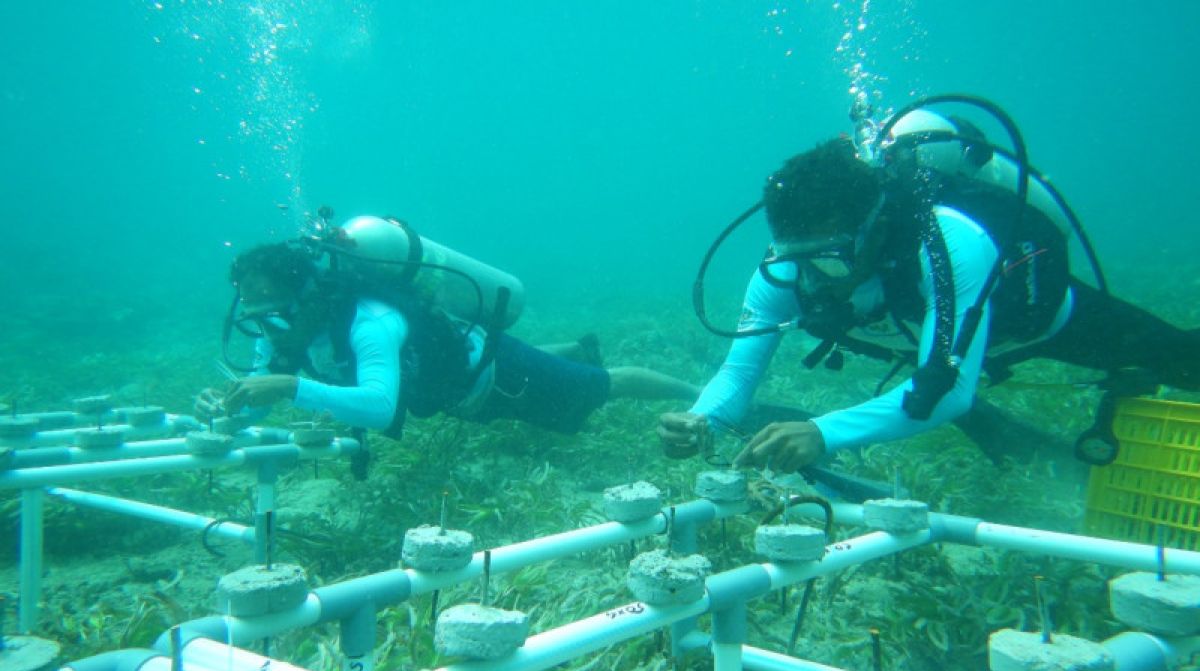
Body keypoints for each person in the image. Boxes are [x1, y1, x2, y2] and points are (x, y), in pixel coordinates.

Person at [659, 110, 1200, 474]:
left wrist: (821, 433)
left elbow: (947, 390)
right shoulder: (786, 270)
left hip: (1037, 325)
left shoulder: (949, 243)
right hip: (924, 341)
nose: (814, 275)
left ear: (875, 225)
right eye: (796, 254)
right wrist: (705, 417)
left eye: (829, 254)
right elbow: (738, 373)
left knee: (1181, 360)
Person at [197, 215, 699, 441]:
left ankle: (702, 394)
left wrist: (288, 386)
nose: (260, 320)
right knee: (520, 358)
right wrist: (229, 408)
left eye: (268, 303)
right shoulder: (281, 327)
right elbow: (260, 392)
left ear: (305, 291)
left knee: (603, 387)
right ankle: (575, 347)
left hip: (494, 377)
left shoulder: (371, 321)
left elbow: (378, 406)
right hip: (456, 383)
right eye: (252, 306)